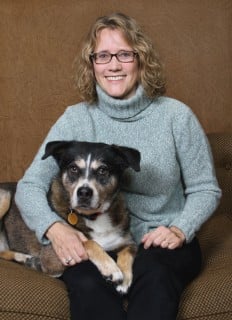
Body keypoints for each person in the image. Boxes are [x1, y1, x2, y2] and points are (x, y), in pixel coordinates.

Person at [15, 12, 221, 320]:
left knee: (154, 273)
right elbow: (29, 187)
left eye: (124, 54)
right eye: (103, 56)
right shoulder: (76, 118)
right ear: (92, 63)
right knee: (86, 283)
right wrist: (55, 228)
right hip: (94, 240)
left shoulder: (176, 117)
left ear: (141, 59)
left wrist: (179, 229)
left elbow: (206, 188)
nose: (113, 65)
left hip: (160, 239)